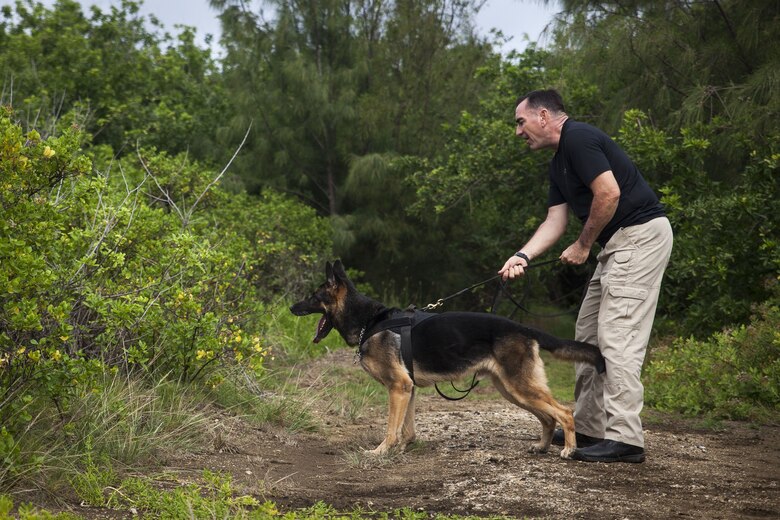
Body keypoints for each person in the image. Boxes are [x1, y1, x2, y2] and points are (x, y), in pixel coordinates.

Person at [498, 89, 673, 463]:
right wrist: (522, 255)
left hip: (640, 236)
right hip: (615, 245)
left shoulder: (579, 138)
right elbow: (554, 220)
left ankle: (626, 439)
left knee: (616, 335)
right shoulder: (557, 163)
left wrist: (582, 245)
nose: (518, 132)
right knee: (587, 336)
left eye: (520, 122)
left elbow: (608, 194)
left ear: (543, 116)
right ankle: (590, 429)